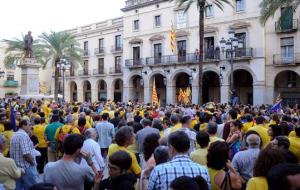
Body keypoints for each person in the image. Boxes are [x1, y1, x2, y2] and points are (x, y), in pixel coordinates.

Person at [10, 119, 40, 190]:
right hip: (26, 168)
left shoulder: (14, 135)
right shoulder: (23, 135)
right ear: (23, 125)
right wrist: (33, 163)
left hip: (17, 168)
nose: (31, 126)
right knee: (33, 188)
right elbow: (26, 154)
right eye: (29, 125)